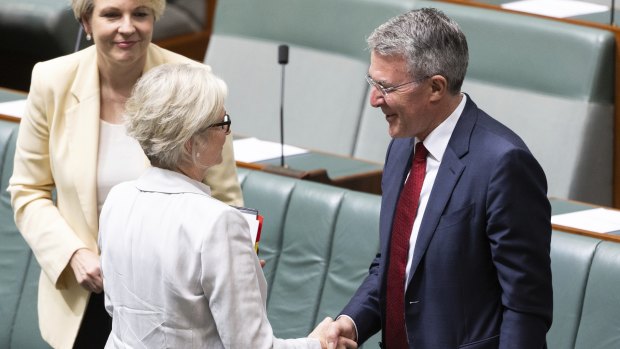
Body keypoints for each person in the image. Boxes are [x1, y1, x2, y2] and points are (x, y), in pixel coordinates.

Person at [8, 0, 242, 347]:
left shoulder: (193, 81)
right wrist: (72, 253)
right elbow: (28, 190)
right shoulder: (51, 80)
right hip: (84, 294)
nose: (128, 26)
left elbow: (226, 198)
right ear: (86, 22)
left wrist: (239, 254)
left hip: (170, 300)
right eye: (112, 14)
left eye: (141, 14)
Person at [326, 8, 553, 349]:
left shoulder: (504, 164)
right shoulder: (402, 146)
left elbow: (525, 307)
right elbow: (393, 265)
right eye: (372, 82)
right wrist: (351, 323)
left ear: (435, 87)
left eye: (386, 87)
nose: (374, 99)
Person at [98, 62, 356, 349]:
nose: (228, 133)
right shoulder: (217, 222)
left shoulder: (118, 198)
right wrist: (318, 345)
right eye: (222, 123)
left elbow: (117, 309)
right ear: (190, 142)